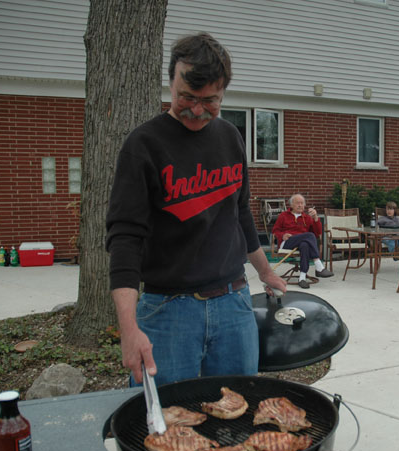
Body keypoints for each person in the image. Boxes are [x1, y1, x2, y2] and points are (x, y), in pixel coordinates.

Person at [105, 32, 286, 387]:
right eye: (187, 96)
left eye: (210, 101)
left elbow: (240, 213)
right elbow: (125, 238)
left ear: (223, 94)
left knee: (239, 408)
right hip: (167, 311)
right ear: (171, 82)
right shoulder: (143, 145)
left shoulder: (230, 137)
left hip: (234, 303)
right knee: (165, 418)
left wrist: (264, 271)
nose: (197, 110)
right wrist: (128, 329)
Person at [271, 194, 334, 289]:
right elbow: (275, 231)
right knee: (309, 235)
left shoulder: (307, 217)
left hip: (301, 243)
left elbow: (317, 233)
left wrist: (315, 218)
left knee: (305, 245)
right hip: (288, 242)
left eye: (302, 203)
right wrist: (282, 235)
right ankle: (318, 266)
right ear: (291, 205)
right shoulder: (283, 215)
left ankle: (302, 278)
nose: (300, 205)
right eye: (297, 203)